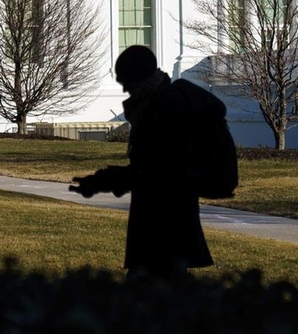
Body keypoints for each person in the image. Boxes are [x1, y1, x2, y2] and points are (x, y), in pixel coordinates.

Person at [70, 45, 213, 278]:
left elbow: (155, 171)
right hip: (164, 219)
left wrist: (102, 181)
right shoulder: (156, 104)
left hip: (165, 223)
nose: (125, 88)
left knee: (156, 296)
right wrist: (101, 181)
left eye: (126, 81)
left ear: (139, 78)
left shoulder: (165, 108)